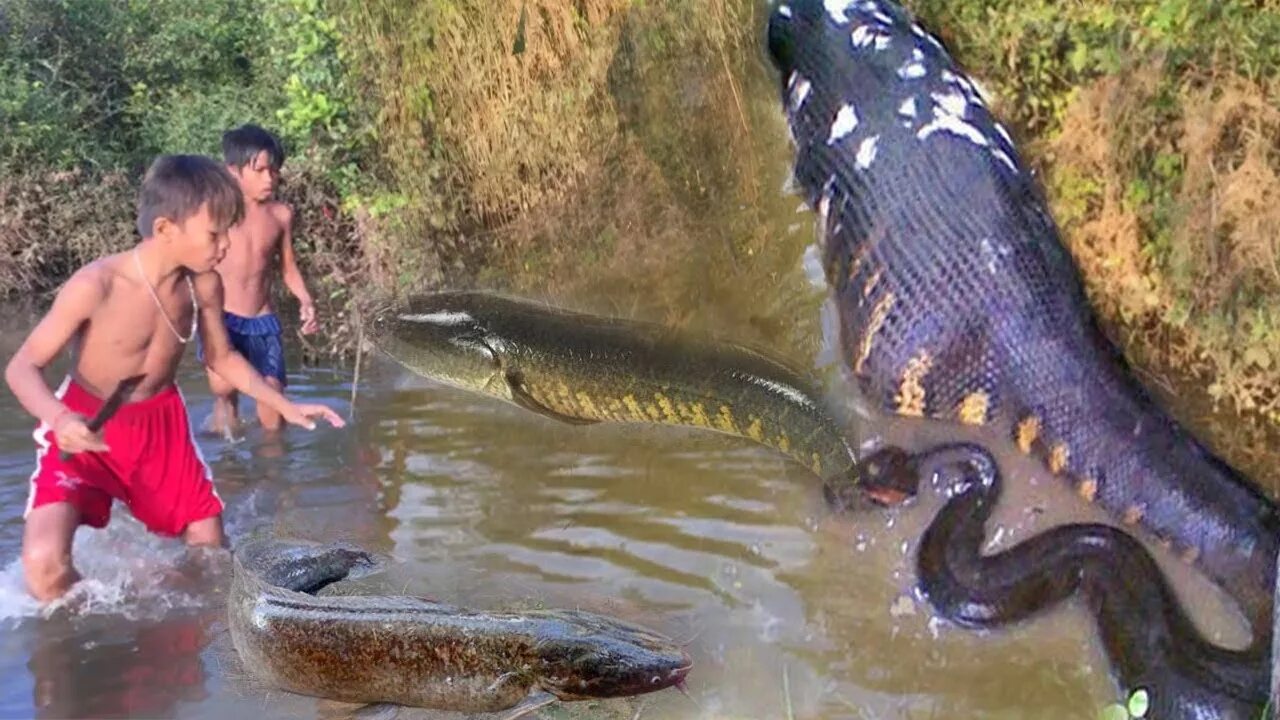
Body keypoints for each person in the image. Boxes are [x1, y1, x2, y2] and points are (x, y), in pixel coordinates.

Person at [3, 154, 345, 603]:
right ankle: (92, 632)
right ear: (166, 229)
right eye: (215, 233)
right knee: (44, 568)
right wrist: (59, 417)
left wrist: (286, 405)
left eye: (230, 231)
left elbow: (222, 358)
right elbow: (22, 366)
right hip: (87, 421)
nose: (225, 244)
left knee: (211, 560)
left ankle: (154, 621)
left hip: (161, 426)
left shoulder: (202, 285)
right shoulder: (97, 285)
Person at [198, 124, 316, 434]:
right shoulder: (214, 214)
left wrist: (305, 300)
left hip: (263, 321)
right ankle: (228, 468)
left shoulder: (280, 216)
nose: (269, 178)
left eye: (273, 171)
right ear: (233, 171)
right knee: (225, 394)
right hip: (222, 321)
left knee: (274, 403)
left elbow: (288, 268)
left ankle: (274, 470)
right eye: (260, 170)